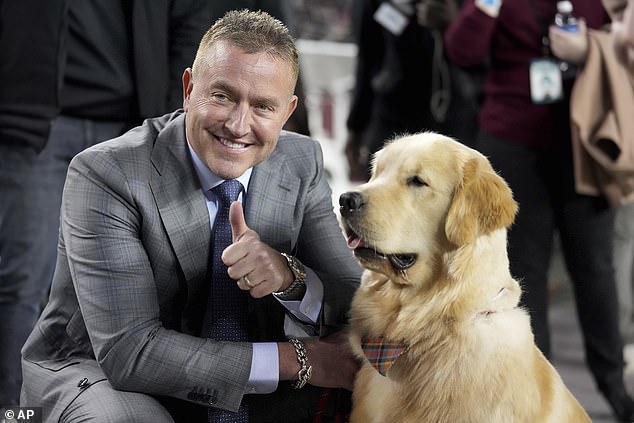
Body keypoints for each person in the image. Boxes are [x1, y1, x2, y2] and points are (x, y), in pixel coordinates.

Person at [20, 9, 362, 423]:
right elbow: (131, 351)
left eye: (263, 107)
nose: (238, 125)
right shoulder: (107, 173)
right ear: (188, 89)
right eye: (222, 96)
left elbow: (351, 298)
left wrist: (290, 277)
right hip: (101, 374)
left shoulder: (300, 160)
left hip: (245, 376)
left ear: (288, 111)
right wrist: (302, 359)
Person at [0, 0, 208, 408]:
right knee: (22, 285)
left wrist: (172, 109)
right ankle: (13, 412)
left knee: (131, 298)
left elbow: (187, 16)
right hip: (33, 124)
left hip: (129, 125)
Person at [444, 1, 634, 421]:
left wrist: (591, 47)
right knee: (525, 274)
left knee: (596, 269)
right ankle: (533, 383)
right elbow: (461, 50)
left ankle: (613, 384)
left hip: (585, 143)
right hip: (512, 142)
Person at [344, 0, 481, 181]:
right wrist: (356, 127)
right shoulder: (379, 4)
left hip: (454, 122)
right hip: (392, 121)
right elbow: (367, 59)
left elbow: (486, 57)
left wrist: (456, 25)